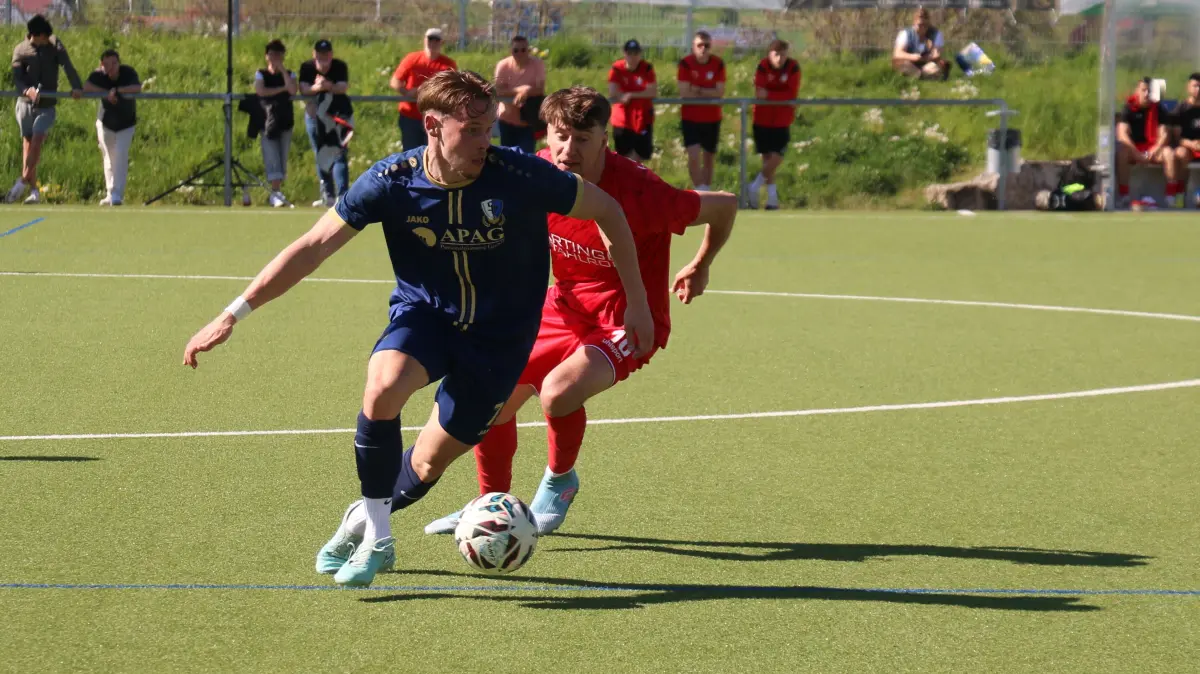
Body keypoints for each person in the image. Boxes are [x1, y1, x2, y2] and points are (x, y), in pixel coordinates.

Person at [181, 71, 653, 589]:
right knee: (383, 385)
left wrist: (637, 301)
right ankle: (380, 540)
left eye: (489, 127)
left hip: (499, 342)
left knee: (426, 465)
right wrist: (233, 312)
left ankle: (360, 519)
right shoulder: (391, 181)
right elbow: (313, 247)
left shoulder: (518, 174)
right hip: (424, 317)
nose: (485, 142)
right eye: (472, 129)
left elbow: (607, 209)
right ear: (432, 125)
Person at [423, 85, 737, 536]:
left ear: (604, 139)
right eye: (560, 136)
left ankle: (560, 480)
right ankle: (492, 505)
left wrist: (700, 265)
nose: (568, 150)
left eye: (582, 139)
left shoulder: (644, 192)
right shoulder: (538, 173)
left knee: (557, 392)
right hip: (564, 306)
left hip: (626, 317)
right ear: (546, 135)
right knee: (491, 398)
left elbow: (724, 207)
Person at [8, 14, 82, 204]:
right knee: (28, 143)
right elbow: (17, 79)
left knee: (38, 138)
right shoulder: (20, 50)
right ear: (34, 35)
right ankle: (33, 191)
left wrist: (76, 86)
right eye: (44, 36)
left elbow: (67, 65)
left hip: (47, 106)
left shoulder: (54, 44)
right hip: (25, 105)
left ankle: (21, 182)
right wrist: (27, 91)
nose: (47, 39)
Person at [82, 49, 141, 206]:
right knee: (108, 156)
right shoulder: (98, 75)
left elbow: (137, 87)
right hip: (105, 123)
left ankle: (117, 194)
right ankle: (110, 193)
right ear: (102, 65)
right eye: (108, 64)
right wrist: (107, 92)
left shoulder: (128, 72)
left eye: (115, 63)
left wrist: (118, 90)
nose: (112, 67)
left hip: (126, 123)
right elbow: (86, 87)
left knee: (121, 155)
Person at [747, 40, 800, 210]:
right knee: (767, 160)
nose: (780, 58)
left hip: (782, 120)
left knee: (777, 157)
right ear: (769, 54)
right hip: (762, 119)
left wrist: (772, 95)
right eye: (776, 54)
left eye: (783, 54)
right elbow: (760, 93)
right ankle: (772, 200)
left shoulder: (793, 67)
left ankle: (754, 186)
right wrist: (781, 96)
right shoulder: (762, 66)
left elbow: (791, 93)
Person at [299, 39, 352, 207]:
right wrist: (318, 87)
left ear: (331, 54)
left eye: (327, 53)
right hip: (315, 117)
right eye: (320, 53)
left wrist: (327, 85)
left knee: (339, 154)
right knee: (320, 154)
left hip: (337, 117)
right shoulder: (307, 67)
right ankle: (327, 194)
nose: (324, 57)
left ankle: (342, 195)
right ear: (314, 54)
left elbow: (343, 86)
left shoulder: (339, 66)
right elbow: (304, 89)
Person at [391, 28, 457, 152]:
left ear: (442, 42)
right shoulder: (412, 59)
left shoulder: (448, 65)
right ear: (424, 40)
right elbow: (395, 81)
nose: (433, 42)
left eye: (436, 39)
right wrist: (407, 92)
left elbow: (452, 89)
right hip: (410, 115)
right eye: (430, 38)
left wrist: (429, 93)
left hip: (436, 117)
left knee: (434, 153)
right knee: (410, 153)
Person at [677, 30, 725, 191]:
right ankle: (701, 190)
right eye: (699, 45)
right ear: (693, 46)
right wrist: (708, 91)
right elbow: (684, 92)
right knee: (694, 155)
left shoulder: (718, 64)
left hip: (712, 117)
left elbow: (719, 92)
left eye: (707, 45)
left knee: (709, 157)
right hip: (691, 117)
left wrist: (697, 89)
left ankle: (706, 189)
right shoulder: (686, 63)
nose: (703, 48)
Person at [1116, 77, 1174, 208]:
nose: (1147, 94)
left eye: (1150, 91)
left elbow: (1164, 134)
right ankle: (1124, 195)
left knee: (1169, 153)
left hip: (1153, 149)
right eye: (1144, 90)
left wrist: (1152, 151)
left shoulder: (1158, 108)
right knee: (1122, 153)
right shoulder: (1128, 108)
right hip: (1134, 149)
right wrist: (1136, 153)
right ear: (1137, 91)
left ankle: (1171, 197)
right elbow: (1122, 134)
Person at [253, 40, 297, 208]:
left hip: (285, 119)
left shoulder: (290, 74)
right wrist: (282, 89)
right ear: (266, 56)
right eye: (272, 54)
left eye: (278, 54)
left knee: (282, 156)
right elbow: (261, 91)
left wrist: (283, 71)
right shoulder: (261, 74)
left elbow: (293, 89)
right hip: (267, 120)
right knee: (271, 156)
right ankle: (275, 192)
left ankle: (277, 191)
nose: (275, 58)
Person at [493, 35, 546, 153]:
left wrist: (527, 91)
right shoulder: (503, 65)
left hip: (527, 121)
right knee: (507, 157)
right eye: (516, 50)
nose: (520, 53)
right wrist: (520, 90)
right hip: (506, 119)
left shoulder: (537, 64)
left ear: (529, 50)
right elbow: (497, 92)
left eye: (523, 50)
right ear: (510, 51)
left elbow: (540, 90)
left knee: (526, 158)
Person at [607, 39, 656, 163]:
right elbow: (613, 92)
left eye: (636, 53)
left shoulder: (647, 68)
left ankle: (637, 181)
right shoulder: (617, 68)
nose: (633, 57)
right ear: (624, 53)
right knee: (624, 156)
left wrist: (630, 94)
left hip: (642, 118)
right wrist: (638, 94)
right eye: (630, 53)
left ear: (640, 53)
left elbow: (652, 91)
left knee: (640, 157)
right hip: (622, 120)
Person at [1169, 73, 1200, 208]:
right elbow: (1177, 137)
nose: (1198, 89)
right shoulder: (1181, 109)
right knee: (1180, 153)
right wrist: (1191, 144)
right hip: (1188, 147)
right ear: (1188, 87)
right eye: (1195, 86)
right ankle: (1180, 194)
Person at [892, 8, 949, 81]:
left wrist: (928, 54)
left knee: (939, 65)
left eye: (924, 25)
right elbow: (897, 53)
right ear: (914, 22)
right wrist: (912, 57)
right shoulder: (905, 33)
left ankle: (919, 76)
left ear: (928, 22)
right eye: (919, 25)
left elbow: (936, 54)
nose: (922, 27)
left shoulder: (936, 34)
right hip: (910, 63)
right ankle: (922, 76)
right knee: (899, 63)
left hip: (928, 64)